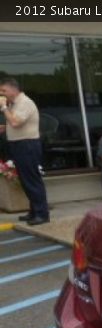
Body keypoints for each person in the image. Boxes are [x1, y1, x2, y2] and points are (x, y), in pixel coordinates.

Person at [0, 78, 49, 225]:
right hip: (18, 144)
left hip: (27, 144)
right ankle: (34, 211)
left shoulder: (25, 102)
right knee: (25, 179)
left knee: (32, 179)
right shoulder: (14, 104)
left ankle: (42, 214)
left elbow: (15, 122)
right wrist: (4, 127)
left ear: (14, 90)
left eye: (3, 90)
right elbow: (14, 122)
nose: (2, 93)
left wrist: (3, 108)